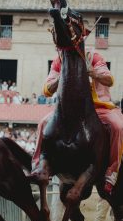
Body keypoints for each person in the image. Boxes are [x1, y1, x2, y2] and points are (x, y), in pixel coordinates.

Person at [31, 48, 123, 194]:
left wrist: (91, 72)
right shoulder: (59, 60)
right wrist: (62, 76)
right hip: (68, 110)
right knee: (43, 123)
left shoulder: (93, 56)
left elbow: (109, 80)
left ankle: (111, 173)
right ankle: (37, 164)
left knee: (118, 126)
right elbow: (47, 90)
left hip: (98, 108)